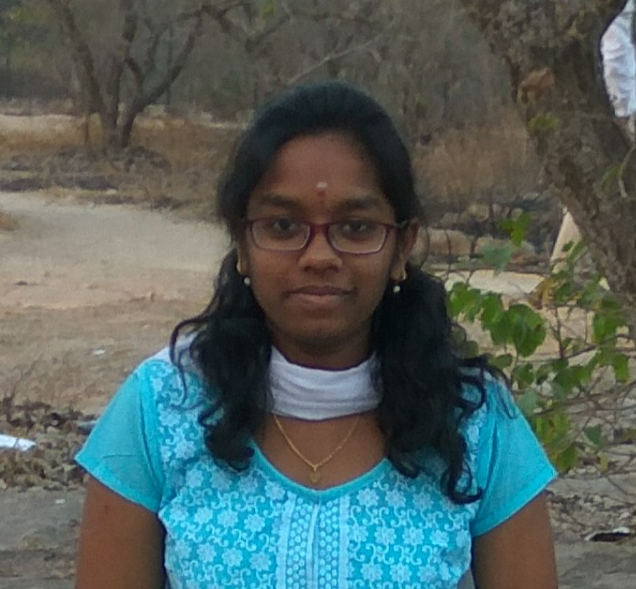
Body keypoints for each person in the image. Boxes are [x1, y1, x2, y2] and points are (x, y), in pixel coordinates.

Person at [74, 81, 558, 589]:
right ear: (242, 243)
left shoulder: (474, 421)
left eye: (356, 228)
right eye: (283, 226)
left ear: (402, 246)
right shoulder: (161, 408)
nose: (319, 256)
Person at [551, 0, 636, 268]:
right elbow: (614, 39)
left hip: (615, 101)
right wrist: (621, 106)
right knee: (600, 189)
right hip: (619, 106)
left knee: (600, 190)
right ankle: (566, 273)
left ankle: (566, 273)